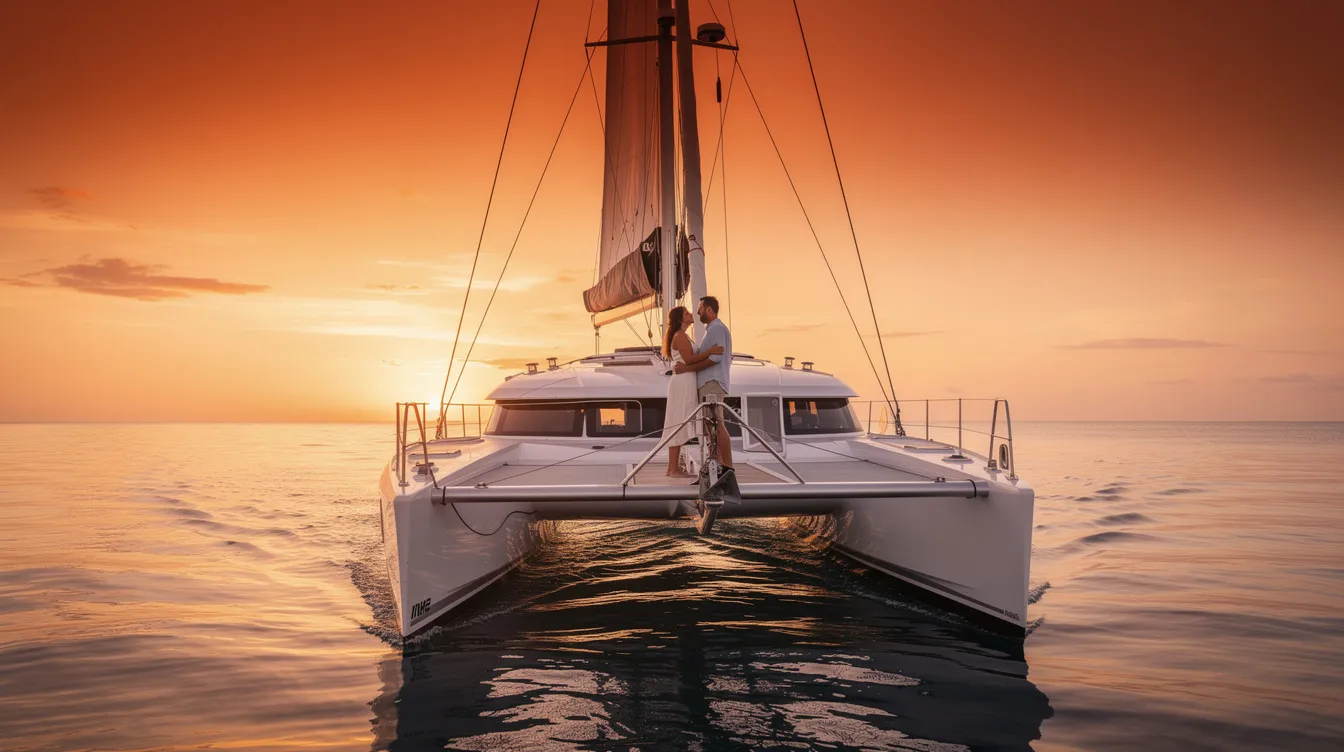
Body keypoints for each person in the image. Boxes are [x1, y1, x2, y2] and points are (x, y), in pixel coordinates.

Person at [673, 295, 734, 481]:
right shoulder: (713, 330)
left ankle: (727, 468)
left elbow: (714, 359)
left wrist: (686, 368)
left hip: (712, 383)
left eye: (700, 308)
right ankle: (717, 466)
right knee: (710, 426)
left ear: (708, 309)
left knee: (716, 424)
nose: (697, 311)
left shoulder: (716, 329)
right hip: (710, 383)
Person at [661, 306, 723, 476]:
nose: (690, 314)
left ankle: (673, 467)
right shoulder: (680, 336)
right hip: (682, 382)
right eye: (687, 313)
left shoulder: (684, 335)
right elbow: (689, 359)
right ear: (681, 318)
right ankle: (672, 468)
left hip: (686, 380)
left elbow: (687, 362)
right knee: (678, 420)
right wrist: (710, 352)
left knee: (682, 419)